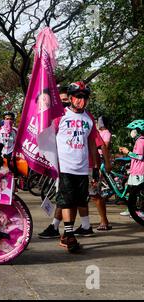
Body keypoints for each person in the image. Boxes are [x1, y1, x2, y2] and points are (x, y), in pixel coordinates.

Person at [53, 81, 102, 253]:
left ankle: (67, 235)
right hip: (64, 166)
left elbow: (91, 143)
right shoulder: (60, 115)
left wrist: (95, 167)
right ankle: (69, 234)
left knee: (78, 202)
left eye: (84, 97)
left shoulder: (89, 119)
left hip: (82, 168)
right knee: (66, 201)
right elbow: (48, 137)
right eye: (78, 97)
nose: (81, 100)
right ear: (71, 98)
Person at [118, 120, 144, 218]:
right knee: (131, 190)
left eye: (132, 130)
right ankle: (131, 209)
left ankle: (140, 211)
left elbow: (139, 157)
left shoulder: (141, 141)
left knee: (139, 192)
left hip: (140, 171)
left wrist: (127, 152)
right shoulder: (138, 141)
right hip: (135, 170)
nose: (131, 132)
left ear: (138, 130)